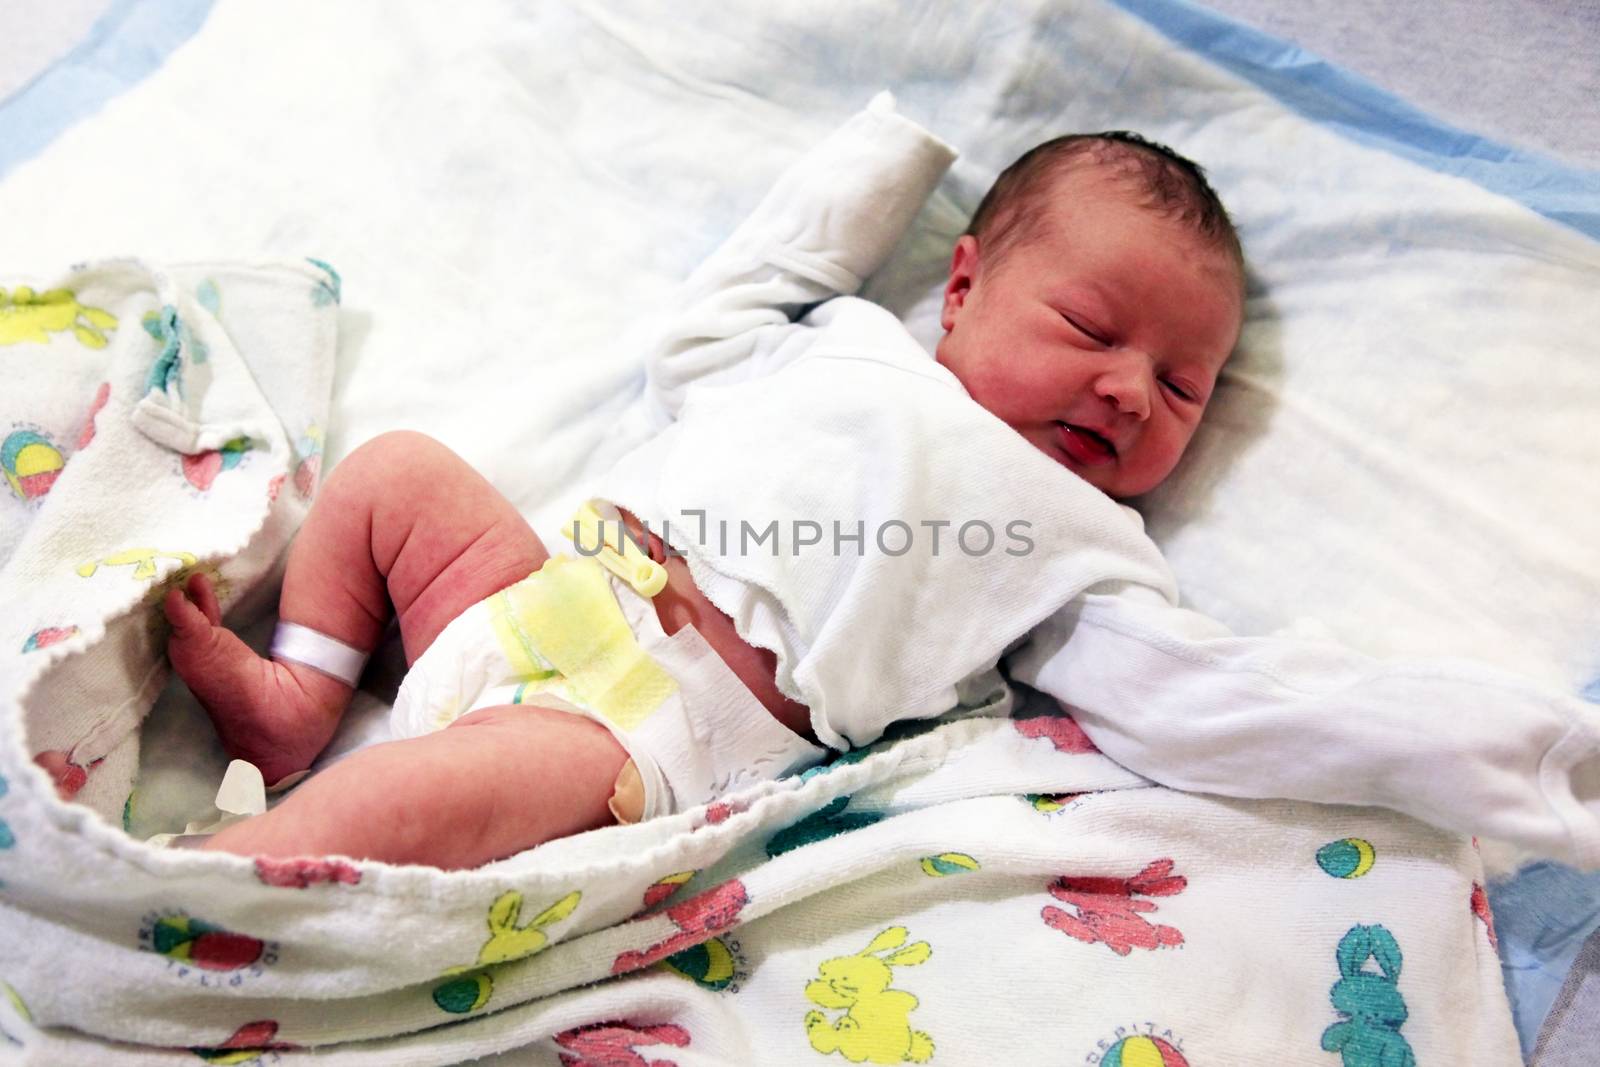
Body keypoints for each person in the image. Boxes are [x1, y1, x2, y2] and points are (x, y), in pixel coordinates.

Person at [164, 94, 1600, 871]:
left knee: (409, 802)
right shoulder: (839, 346)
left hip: (635, 740)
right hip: (533, 589)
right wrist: (890, 148)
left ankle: (216, 893)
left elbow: (1225, 703)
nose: (1126, 389)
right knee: (398, 473)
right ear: (960, 290)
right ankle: (304, 696)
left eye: (1181, 387)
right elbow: (713, 318)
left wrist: (1526, 755)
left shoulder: (1083, 550)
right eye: (1094, 332)